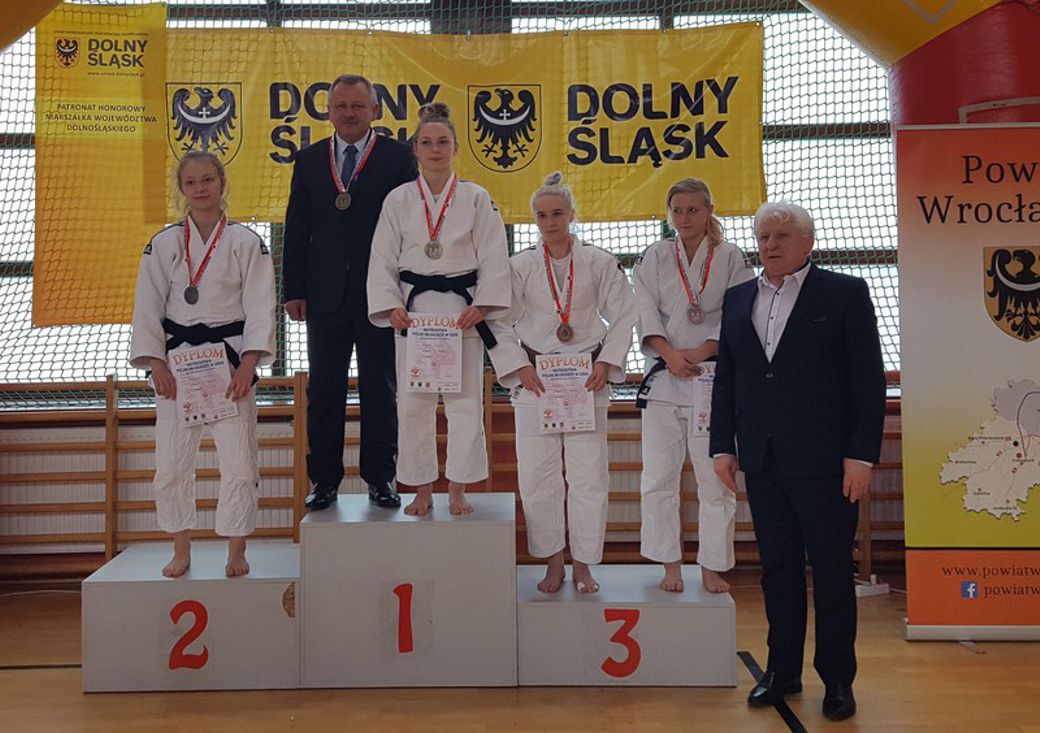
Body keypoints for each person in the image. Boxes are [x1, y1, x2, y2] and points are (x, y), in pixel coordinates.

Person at [710, 202, 886, 722]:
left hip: (828, 462)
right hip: (762, 461)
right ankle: (782, 672)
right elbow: (729, 379)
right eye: (764, 236)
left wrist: (861, 455)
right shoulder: (738, 298)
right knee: (778, 572)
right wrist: (723, 446)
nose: (771, 244)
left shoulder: (845, 293)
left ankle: (837, 680)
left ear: (808, 242)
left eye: (782, 235)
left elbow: (868, 381)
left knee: (831, 574)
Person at [129, 151, 276, 578]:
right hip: (178, 366)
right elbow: (147, 305)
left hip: (229, 365)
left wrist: (249, 364)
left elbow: (261, 306)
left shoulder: (246, 242)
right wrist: (155, 363)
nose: (200, 188)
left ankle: (236, 550)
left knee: (239, 462)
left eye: (208, 180)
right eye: (191, 182)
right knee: (172, 463)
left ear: (222, 183)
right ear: (181, 189)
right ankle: (181, 549)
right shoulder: (164, 244)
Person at [488, 172, 636, 594]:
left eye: (557, 214)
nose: (550, 222)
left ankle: (584, 565)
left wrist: (607, 361)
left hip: (586, 379)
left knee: (589, 477)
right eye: (542, 216)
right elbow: (497, 320)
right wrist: (519, 366)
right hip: (536, 380)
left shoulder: (599, 262)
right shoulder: (520, 266)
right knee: (539, 477)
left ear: (571, 215)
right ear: (534, 219)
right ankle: (554, 562)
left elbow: (624, 314)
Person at [282, 74, 418, 512]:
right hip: (324, 295)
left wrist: (405, 292)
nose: (349, 113)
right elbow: (297, 227)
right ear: (328, 112)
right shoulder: (308, 160)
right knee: (324, 390)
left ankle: (381, 478)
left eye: (358, 106)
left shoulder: (399, 158)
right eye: (341, 106)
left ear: (374, 110)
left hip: (381, 295)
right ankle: (324, 481)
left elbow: (411, 229)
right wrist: (293, 289)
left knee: (381, 389)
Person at [367, 102, 510, 516]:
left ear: (455, 148)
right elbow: (382, 257)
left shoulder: (476, 197)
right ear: (415, 148)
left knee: (465, 402)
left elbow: (494, 254)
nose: (435, 149)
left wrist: (483, 304)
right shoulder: (398, 199)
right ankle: (423, 489)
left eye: (442, 142)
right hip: (413, 313)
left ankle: (459, 489)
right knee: (414, 404)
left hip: (462, 312)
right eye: (427, 142)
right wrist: (390, 305)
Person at [632, 178, 754, 594]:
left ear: (709, 211)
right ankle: (670, 564)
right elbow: (643, 307)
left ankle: (712, 566)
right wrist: (668, 353)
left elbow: (741, 310)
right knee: (658, 478)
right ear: (669, 214)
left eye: (693, 210)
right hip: (664, 378)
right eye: (677, 211)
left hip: (710, 380)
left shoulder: (731, 256)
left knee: (715, 479)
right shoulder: (655, 255)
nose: (684, 218)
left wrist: (705, 349)